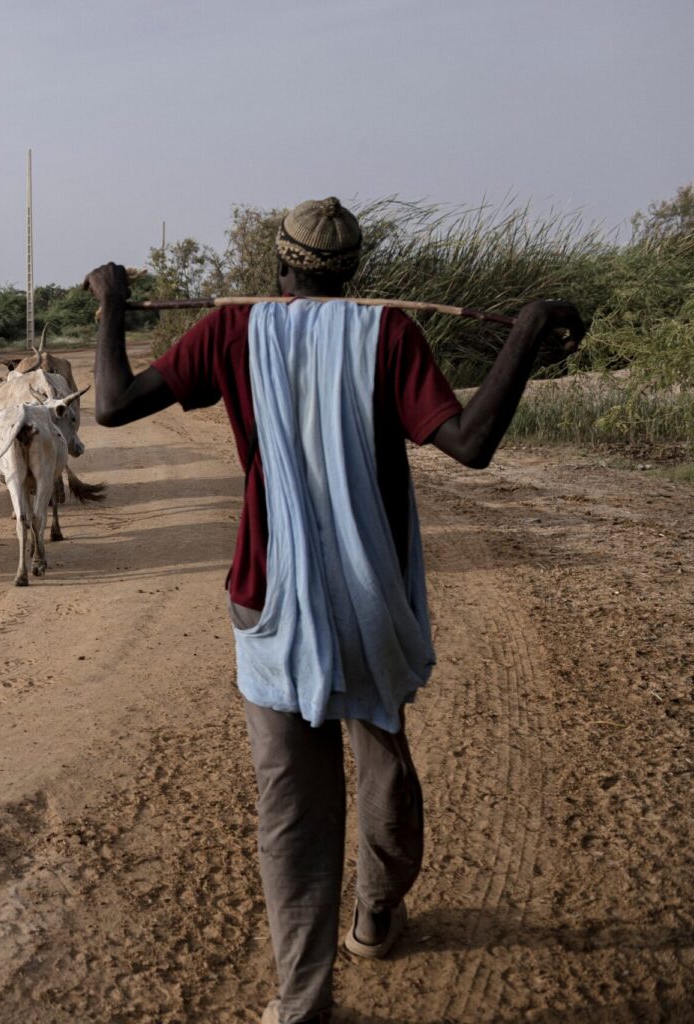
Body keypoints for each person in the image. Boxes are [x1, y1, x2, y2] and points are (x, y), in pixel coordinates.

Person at [83, 197, 584, 1024]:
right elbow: (471, 444)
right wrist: (525, 333)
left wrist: (110, 305)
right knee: (383, 754)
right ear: (353, 270)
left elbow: (112, 402)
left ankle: (303, 1004)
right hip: (370, 589)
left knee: (292, 806)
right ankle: (377, 913)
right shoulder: (386, 333)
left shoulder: (235, 330)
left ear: (279, 265)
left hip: (269, 592)